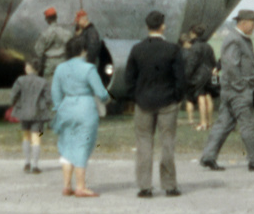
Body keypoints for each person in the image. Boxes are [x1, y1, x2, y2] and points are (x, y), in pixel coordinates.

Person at [117, 10, 186, 198]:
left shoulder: (137, 49)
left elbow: (129, 78)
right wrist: (177, 97)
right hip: (168, 102)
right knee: (167, 143)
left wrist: (135, 97)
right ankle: (170, 185)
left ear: (147, 27)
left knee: (144, 144)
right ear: (162, 26)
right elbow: (180, 78)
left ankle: (145, 186)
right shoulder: (173, 49)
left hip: (144, 102)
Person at [199, 10, 254, 172]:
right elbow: (231, 66)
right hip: (238, 91)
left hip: (231, 90)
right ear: (243, 23)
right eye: (252, 23)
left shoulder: (240, 39)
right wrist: (242, 88)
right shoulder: (234, 40)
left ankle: (208, 156)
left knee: (223, 124)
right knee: (247, 125)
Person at [51, 37, 110, 197]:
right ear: (83, 50)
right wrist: (106, 98)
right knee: (82, 145)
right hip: (85, 108)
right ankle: (81, 186)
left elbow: (55, 92)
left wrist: (58, 108)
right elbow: (101, 93)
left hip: (66, 106)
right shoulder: (88, 68)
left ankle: (66, 185)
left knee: (67, 144)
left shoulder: (60, 68)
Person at [9, 61, 48, 174]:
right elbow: (48, 98)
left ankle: (27, 162)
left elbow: (14, 95)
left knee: (26, 136)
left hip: (24, 111)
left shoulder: (20, 80)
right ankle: (35, 165)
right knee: (36, 138)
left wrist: (14, 104)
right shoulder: (43, 81)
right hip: (38, 113)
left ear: (28, 68)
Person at [183, 25, 216, 131]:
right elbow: (213, 62)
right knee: (208, 97)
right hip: (209, 74)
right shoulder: (208, 46)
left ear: (193, 33)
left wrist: (186, 76)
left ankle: (203, 123)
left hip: (198, 75)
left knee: (200, 97)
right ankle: (210, 121)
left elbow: (191, 64)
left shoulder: (194, 47)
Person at [31, 7, 70, 83]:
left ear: (47, 20)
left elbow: (38, 51)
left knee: (49, 87)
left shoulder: (44, 34)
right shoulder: (66, 33)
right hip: (63, 61)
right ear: (56, 17)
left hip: (49, 63)